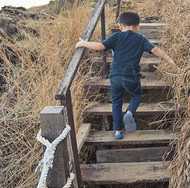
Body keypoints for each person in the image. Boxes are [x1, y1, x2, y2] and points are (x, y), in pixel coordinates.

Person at [75, 11, 176, 139]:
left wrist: (83, 43)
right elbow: (155, 50)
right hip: (132, 77)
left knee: (116, 103)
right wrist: (169, 60)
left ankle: (117, 131)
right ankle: (129, 112)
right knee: (137, 96)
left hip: (116, 77)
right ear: (138, 27)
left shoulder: (116, 37)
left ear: (120, 26)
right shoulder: (141, 39)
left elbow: (100, 46)